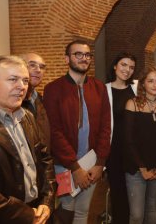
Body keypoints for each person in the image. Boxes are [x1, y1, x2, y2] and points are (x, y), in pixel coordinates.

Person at [43, 39, 111, 224]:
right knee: (67, 210)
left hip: (92, 163)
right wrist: (74, 167)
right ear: (67, 59)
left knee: (83, 212)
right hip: (64, 165)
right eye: (78, 54)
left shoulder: (99, 88)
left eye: (87, 55)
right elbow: (54, 131)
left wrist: (100, 163)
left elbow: (106, 127)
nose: (84, 58)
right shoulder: (53, 89)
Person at [0, 55, 56, 223]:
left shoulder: (27, 116)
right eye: (13, 79)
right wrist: (26, 215)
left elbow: (45, 160)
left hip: (38, 210)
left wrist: (47, 201)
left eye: (25, 80)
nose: (21, 87)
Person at [123, 66, 156, 224]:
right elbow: (128, 140)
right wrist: (142, 168)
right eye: (150, 81)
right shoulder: (132, 104)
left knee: (152, 209)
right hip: (136, 168)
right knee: (136, 215)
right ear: (142, 84)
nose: (155, 84)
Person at [106, 52, 137, 224]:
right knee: (118, 195)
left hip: (134, 150)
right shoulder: (105, 89)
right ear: (115, 66)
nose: (127, 70)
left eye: (131, 67)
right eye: (124, 65)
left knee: (136, 196)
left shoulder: (137, 88)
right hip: (114, 152)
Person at [20, 52, 51, 150]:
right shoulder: (11, 102)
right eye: (32, 65)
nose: (38, 70)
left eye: (42, 67)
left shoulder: (42, 100)